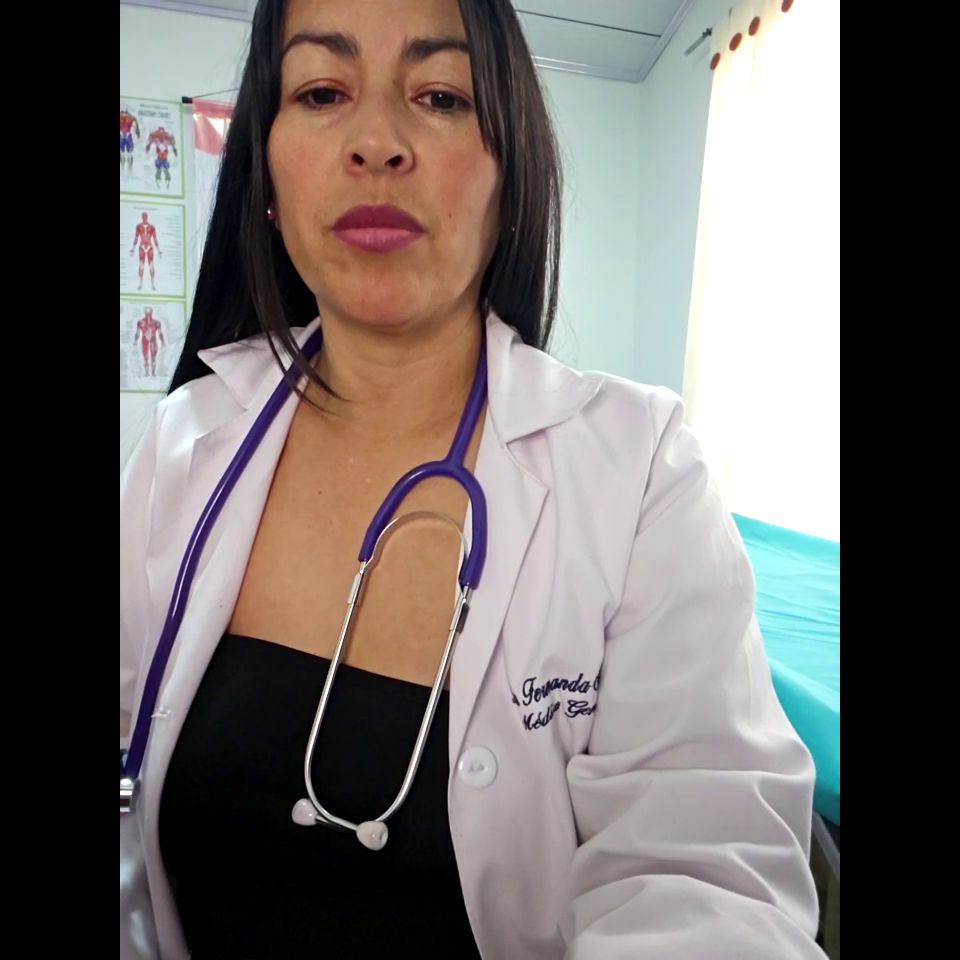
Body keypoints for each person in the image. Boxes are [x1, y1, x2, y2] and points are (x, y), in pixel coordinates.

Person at [120, 1, 826, 958]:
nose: (377, 141)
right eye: (321, 92)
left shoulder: (638, 473)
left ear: (510, 173)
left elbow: (706, 881)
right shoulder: (183, 445)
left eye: (442, 96)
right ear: (267, 175)